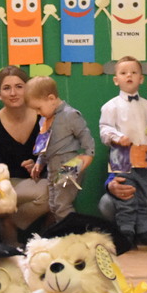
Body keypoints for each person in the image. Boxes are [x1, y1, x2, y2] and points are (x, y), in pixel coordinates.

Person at [0, 66, 49, 247]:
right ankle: (11, 232)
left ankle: (9, 223)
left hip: (37, 183)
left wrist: (38, 165)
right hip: (3, 187)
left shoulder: (43, 120)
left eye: (19, 86)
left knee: (57, 190)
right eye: (7, 88)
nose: (13, 93)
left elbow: (55, 156)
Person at [98, 56, 147, 248]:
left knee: (145, 197)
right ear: (116, 79)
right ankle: (125, 233)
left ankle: (143, 233)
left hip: (146, 158)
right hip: (122, 158)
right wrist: (117, 137)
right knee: (126, 197)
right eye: (123, 72)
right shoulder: (110, 106)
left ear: (141, 79)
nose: (129, 75)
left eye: (134, 72)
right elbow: (104, 130)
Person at [26, 75, 94, 222]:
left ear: (51, 98)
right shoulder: (44, 120)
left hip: (69, 163)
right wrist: (40, 162)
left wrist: (88, 154)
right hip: (52, 166)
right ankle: (63, 232)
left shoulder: (70, 115)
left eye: (38, 108)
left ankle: (73, 232)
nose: (37, 113)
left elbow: (85, 136)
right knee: (53, 205)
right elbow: (46, 144)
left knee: (62, 205)